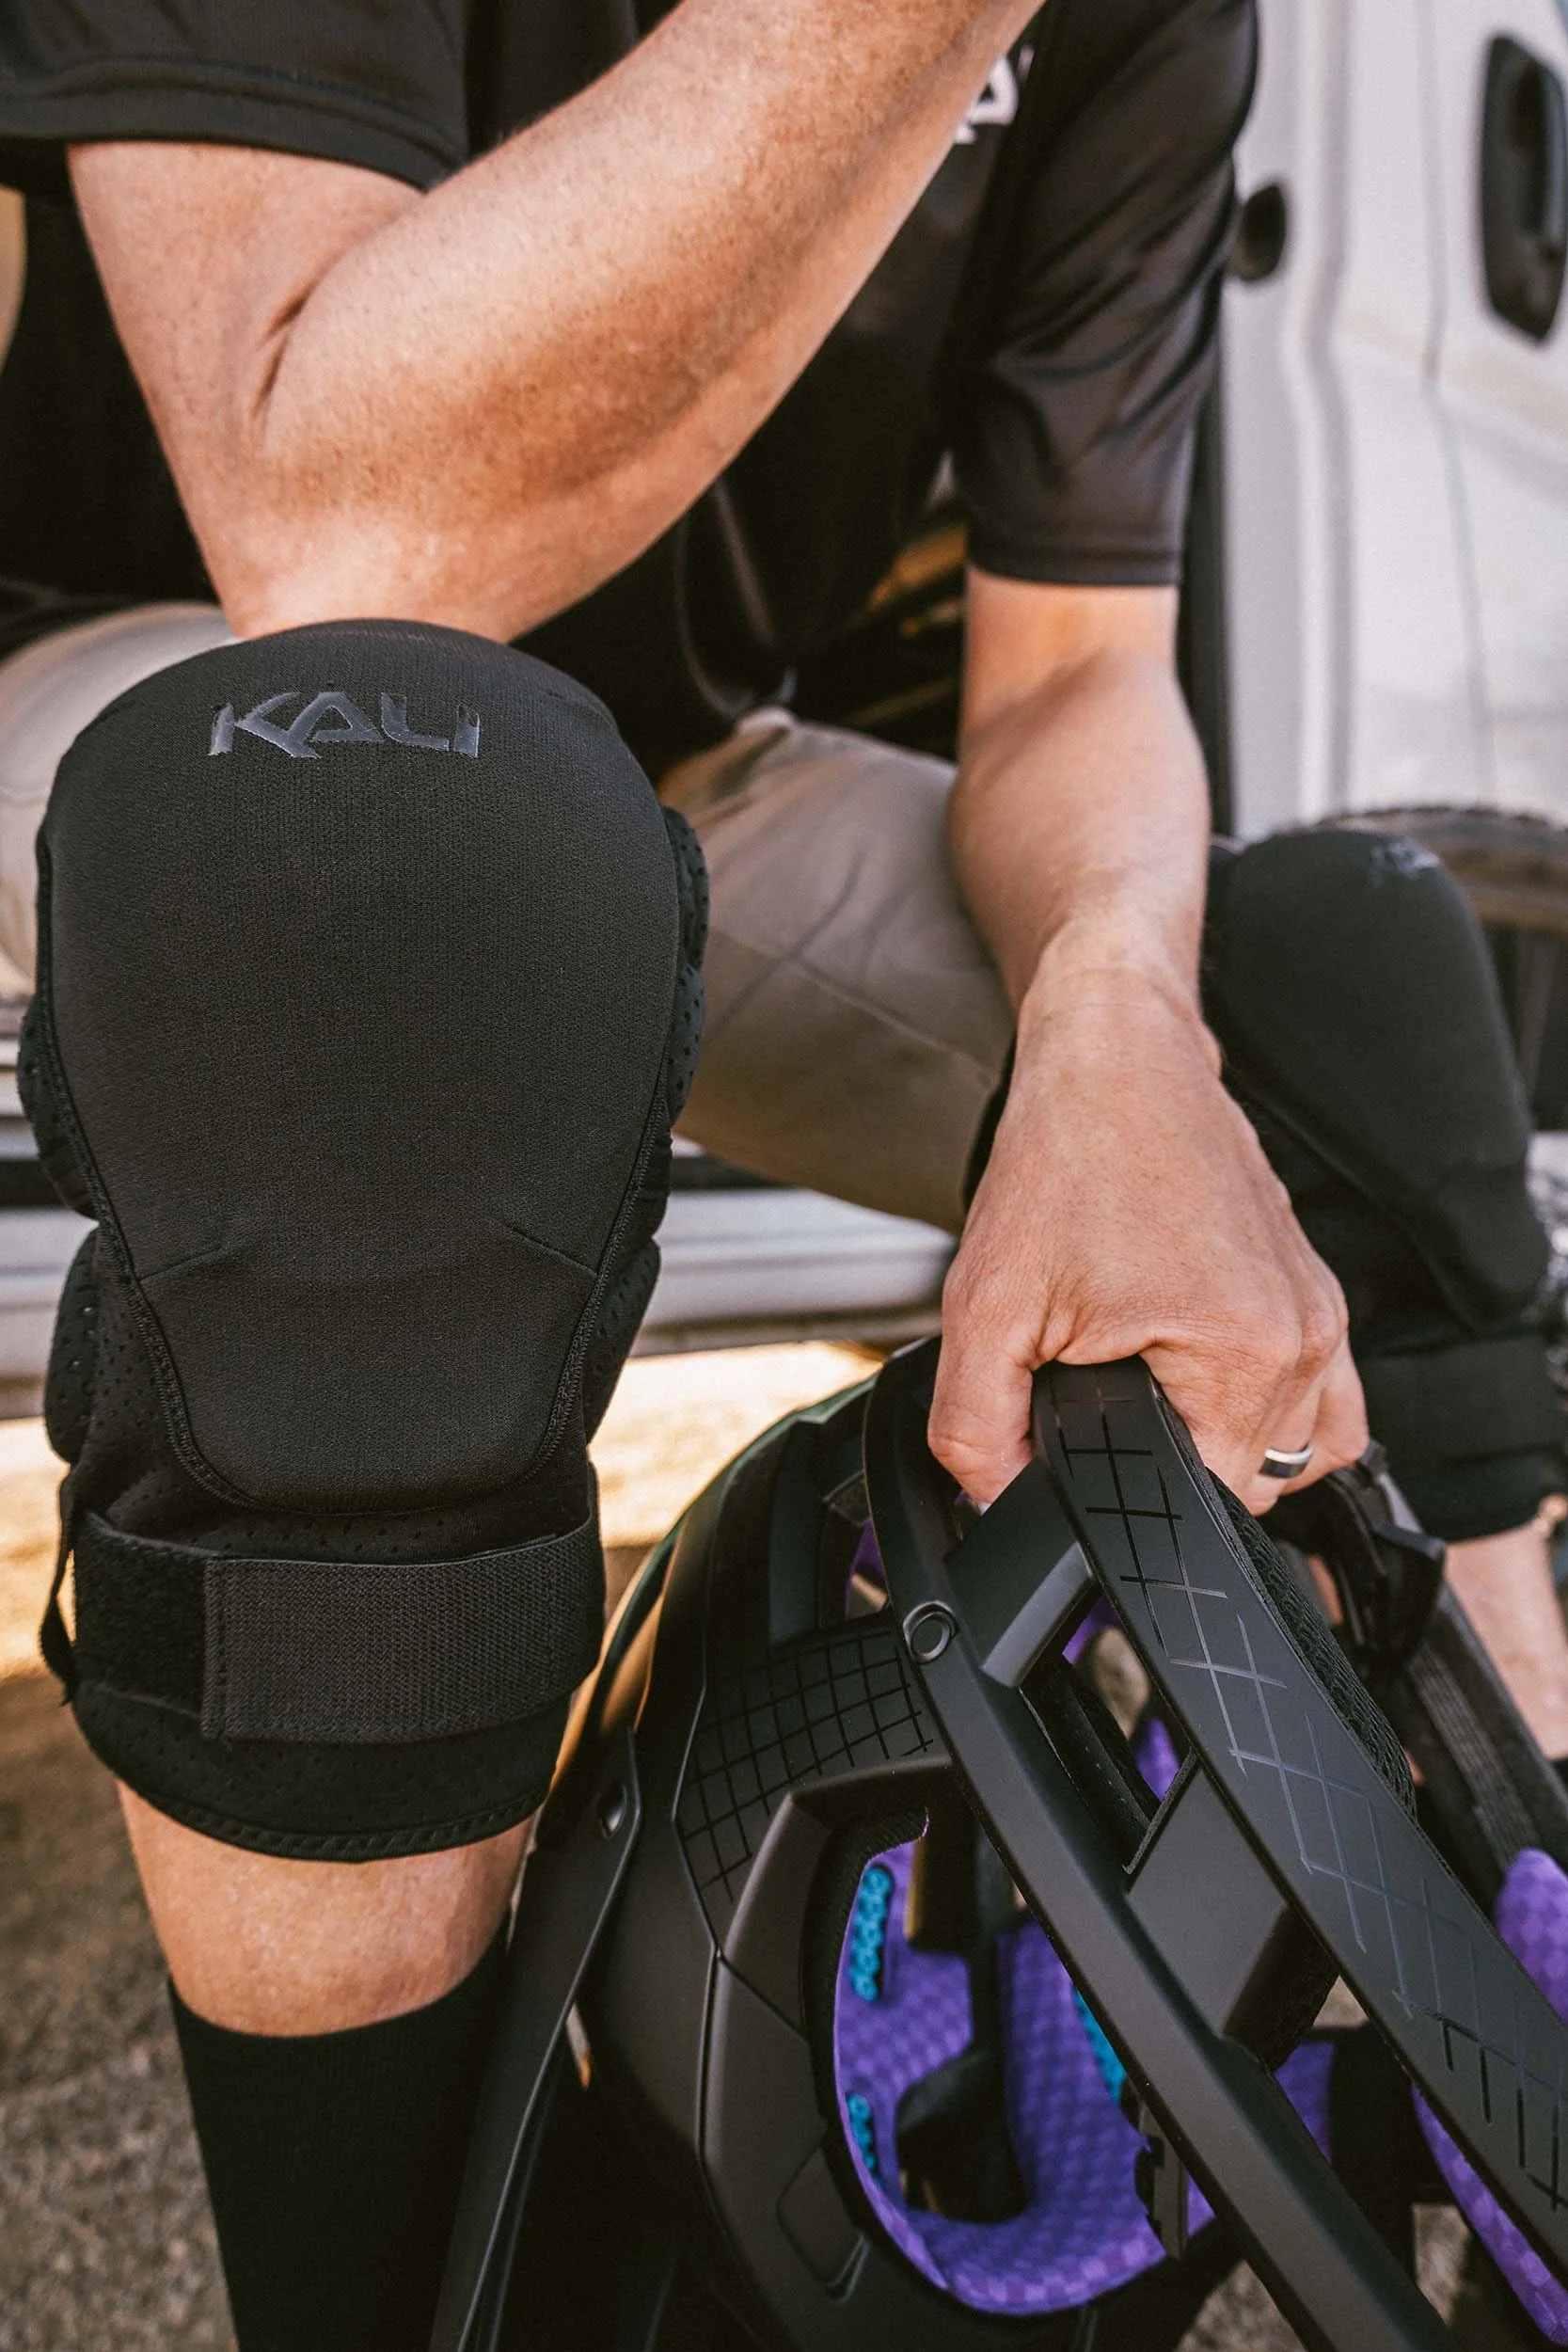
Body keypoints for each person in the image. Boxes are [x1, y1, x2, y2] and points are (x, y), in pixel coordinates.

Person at [2, 4, 1567, 2346]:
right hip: (193, 686)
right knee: (379, 878)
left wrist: (1117, 1022)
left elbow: (1062, 684)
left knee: (1332, 977)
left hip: (653, 766)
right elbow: (333, 518)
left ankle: (1510, 1937)